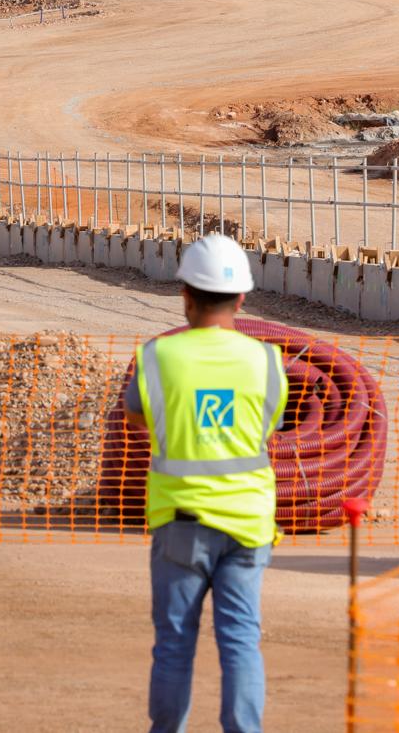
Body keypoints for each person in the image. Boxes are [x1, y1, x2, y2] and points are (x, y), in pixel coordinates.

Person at [124, 235, 286, 733]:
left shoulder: (157, 357)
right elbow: (268, 427)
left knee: (174, 642)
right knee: (240, 640)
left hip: (181, 523)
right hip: (248, 524)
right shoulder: (266, 362)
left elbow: (135, 419)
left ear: (185, 296)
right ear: (241, 299)